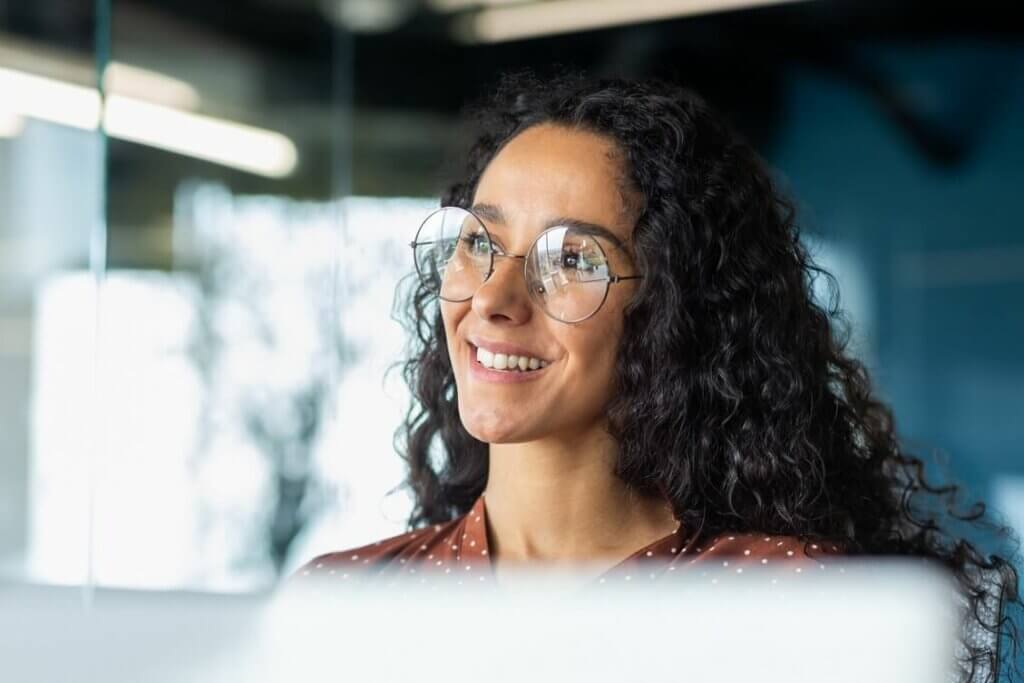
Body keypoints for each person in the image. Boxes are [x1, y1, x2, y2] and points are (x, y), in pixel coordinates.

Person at [297, 69, 1020, 677]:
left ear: (672, 306)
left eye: (573, 259)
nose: (493, 298)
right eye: (481, 242)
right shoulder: (343, 604)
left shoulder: (804, 609)